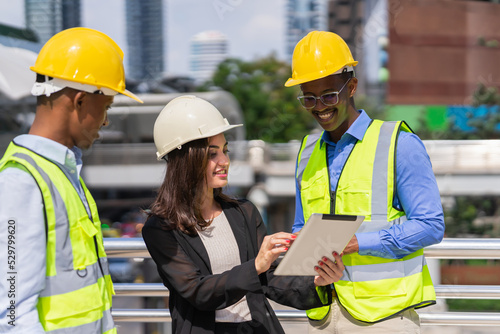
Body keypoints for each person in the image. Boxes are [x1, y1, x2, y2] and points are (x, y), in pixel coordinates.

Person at [142, 95, 345, 334]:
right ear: (186, 159)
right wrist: (255, 266)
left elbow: (269, 278)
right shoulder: (161, 228)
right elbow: (197, 292)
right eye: (212, 154)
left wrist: (316, 283)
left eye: (225, 151)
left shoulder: (243, 212)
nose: (225, 161)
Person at [284, 31, 445, 333]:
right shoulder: (306, 154)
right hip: (322, 316)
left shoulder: (399, 143)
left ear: (352, 86)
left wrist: (358, 243)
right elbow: (301, 227)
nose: (320, 107)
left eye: (329, 95)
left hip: (385, 318)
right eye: (309, 98)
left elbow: (430, 224)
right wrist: (301, 253)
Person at [0, 27, 142, 333]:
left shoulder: (63, 173)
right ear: (79, 101)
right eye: (105, 108)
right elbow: (11, 313)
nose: (105, 122)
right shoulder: (21, 181)